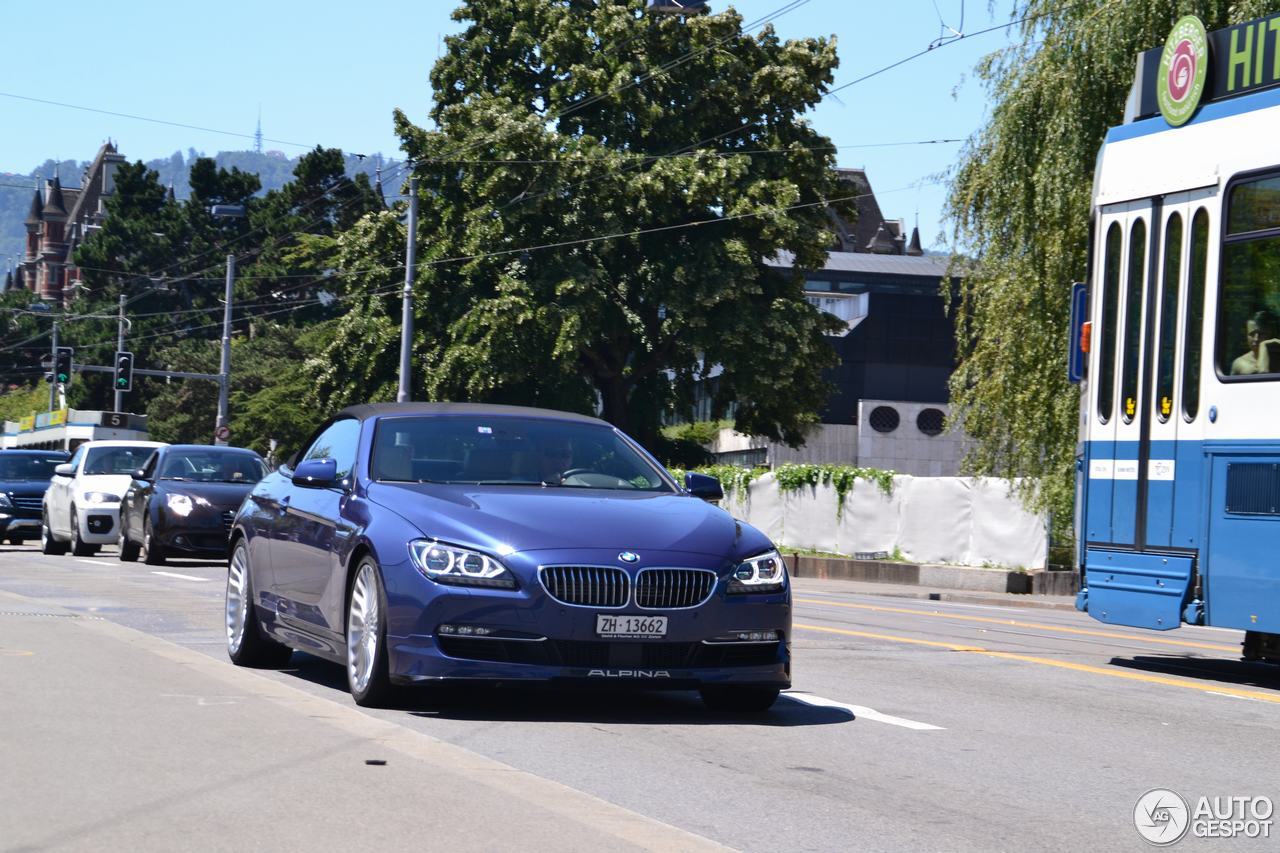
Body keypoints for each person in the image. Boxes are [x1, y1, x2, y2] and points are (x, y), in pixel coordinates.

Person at [1230, 309, 1280, 375]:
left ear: (1271, 334)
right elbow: (1262, 375)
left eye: (1262, 334)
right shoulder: (1241, 363)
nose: (1256, 339)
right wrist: (1263, 345)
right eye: (1252, 334)